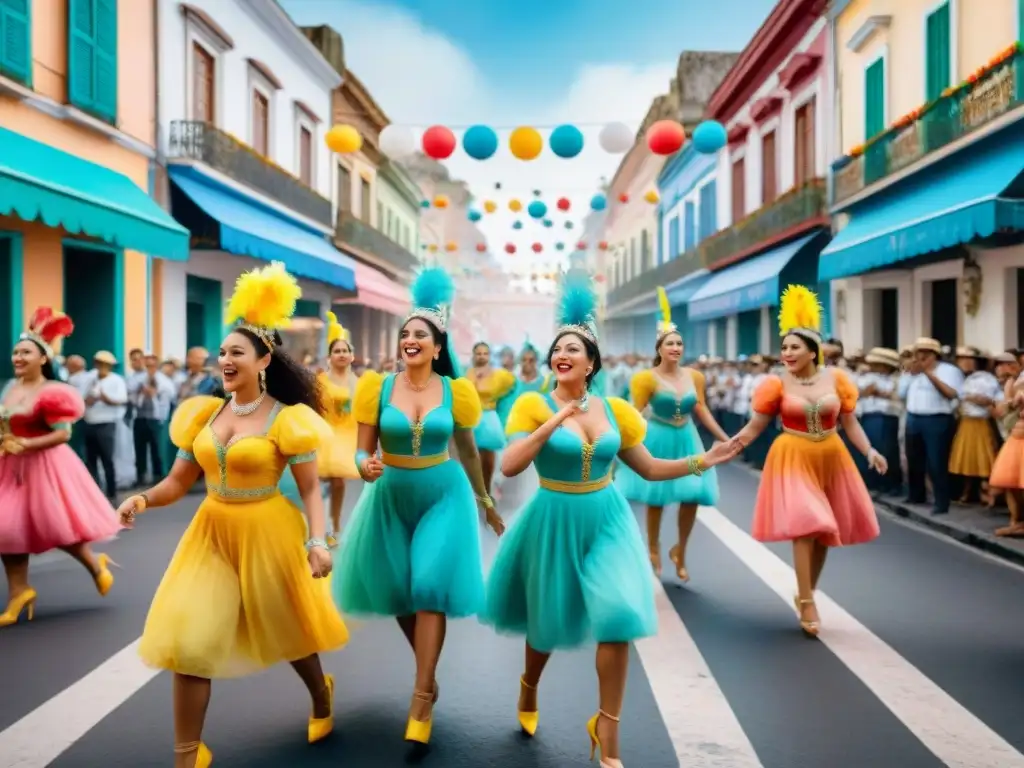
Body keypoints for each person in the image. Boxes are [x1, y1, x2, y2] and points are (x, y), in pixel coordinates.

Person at [485, 275, 742, 767]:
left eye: (573, 349)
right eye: (557, 348)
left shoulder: (616, 410)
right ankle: (529, 684)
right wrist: (554, 422)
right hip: (552, 520)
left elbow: (646, 467)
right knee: (546, 627)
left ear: (591, 363)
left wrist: (701, 461)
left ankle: (607, 731)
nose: (562, 354)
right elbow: (512, 464)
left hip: (606, 519)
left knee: (620, 615)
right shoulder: (532, 403)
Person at [115, 262, 347, 768]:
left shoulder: (290, 420)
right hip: (210, 534)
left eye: (235, 352)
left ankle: (320, 693)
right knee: (191, 639)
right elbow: (178, 482)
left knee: (292, 632)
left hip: (268, 530)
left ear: (263, 360)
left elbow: (311, 491)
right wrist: (142, 499)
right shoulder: (203, 412)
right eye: (221, 352)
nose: (223, 359)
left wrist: (317, 541)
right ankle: (187, 754)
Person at [333, 267, 504, 746]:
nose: (409, 340)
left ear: (436, 345)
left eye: (419, 335)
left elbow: (468, 452)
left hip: (442, 493)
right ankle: (427, 670)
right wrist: (363, 464)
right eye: (404, 334)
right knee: (398, 593)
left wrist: (486, 501)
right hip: (389, 496)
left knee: (428, 583)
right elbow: (360, 448)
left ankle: (422, 692)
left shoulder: (456, 391)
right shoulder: (377, 388)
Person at [734, 286, 885, 636]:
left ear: (812, 351)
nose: (786, 353)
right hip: (792, 455)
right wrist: (728, 447)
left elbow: (850, 422)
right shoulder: (775, 384)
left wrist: (870, 452)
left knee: (823, 531)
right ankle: (806, 601)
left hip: (832, 456)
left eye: (793, 347)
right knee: (807, 522)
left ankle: (808, 591)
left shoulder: (838, 380)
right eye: (783, 347)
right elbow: (755, 426)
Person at [0, 308, 121, 627]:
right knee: (6, 528)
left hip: (44, 467)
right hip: (9, 467)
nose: (17, 357)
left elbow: (63, 434)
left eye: (25, 352)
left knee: (56, 526)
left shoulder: (53, 392)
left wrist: (26, 444)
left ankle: (96, 565)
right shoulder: (9, 389)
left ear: (43, 358)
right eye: (15, 351)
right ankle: (19, 592)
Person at [616, 288, 730, 582]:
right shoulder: (645, 378)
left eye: (680, 343)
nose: (676, 348)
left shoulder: (695, 377)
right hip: (657, 436)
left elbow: (702, 409)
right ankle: (653, 547)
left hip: (687, 436)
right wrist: (621, 438)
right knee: (656, 497)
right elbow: (634, 411)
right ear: (659, 348)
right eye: (670, 343)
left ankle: (681, 549)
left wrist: (725, 438)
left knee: (691, 495)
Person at [901, 337, 964, 515]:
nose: (919, 359)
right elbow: (901, 394)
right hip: (914, 417)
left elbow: (951, 394)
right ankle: (916, 495)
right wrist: (908, 374)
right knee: (914, 458)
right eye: (917, 355)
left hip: (937, 419)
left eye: (924, 355)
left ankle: (941, 502)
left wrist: (929, 374)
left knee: (936, 462)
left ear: (934, 356)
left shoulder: (948, 371)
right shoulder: (912, 372)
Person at [317, 312, 360, 547]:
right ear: (330, 356)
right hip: (324, 433)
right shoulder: (320, 381)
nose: (342, 355)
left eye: (345, 351)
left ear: (351, 356)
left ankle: (334, 525)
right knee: (315, 482)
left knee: (339, 482)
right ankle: (315, 522)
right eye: (337, 351)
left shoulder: (359, 383)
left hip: (347, 437)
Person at [949, 347, 1003, 505]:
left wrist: (981, 400)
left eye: (969, 359)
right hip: (966, 422)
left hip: (980, 422)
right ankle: (969, 492)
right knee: (966, 458)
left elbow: (994, 399)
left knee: (984, 458)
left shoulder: (987, 379)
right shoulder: (966, 379)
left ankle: (985, 492)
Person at [465, 342, 517, 494]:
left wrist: (501, 402)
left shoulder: (498, 374)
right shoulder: (467, 373)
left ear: (489, 356)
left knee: (488, 457)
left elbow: (514, 384)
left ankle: (486, 490)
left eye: (485, 353)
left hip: (488, 417)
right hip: (471, 417)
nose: (482, 356)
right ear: (473, 355)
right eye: (479, 353)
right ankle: (474, 490)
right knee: (472, 456)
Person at [82, 351, 128, 502]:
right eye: (98, 363)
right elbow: (80, 397)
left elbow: (121, 400)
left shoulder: (116, 380)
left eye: (105, 364)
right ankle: (94, 493)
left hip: (107, 423)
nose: (101, 367)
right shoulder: (89, 378)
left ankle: (111, 492)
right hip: (89, 422)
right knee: (91, 461)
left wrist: (104, 397)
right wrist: (88, 400)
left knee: (107, 459)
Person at [856, 347, 903, 494]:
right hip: (869, 416)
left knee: (888, 450)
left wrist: (880, 393)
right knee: (871, 449)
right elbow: (856, 392)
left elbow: (897, 396)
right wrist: (867, 392)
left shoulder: (896, 379)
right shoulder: (865, 377)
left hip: (888, 416)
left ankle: (891, 484)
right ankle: (874, 483)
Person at [131, 353, 176, 485]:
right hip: (140, 417)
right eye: (147, 365)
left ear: (156, 366)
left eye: (152, 365)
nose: (149, 368)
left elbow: (170, 395)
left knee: (157, 449)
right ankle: (141, 476)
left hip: (157, 419)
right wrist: (140, 392)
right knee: (139, 449)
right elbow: (131, 395)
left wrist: (155, 393)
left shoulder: (163, 380)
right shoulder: (140, 379)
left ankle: (159, 476)